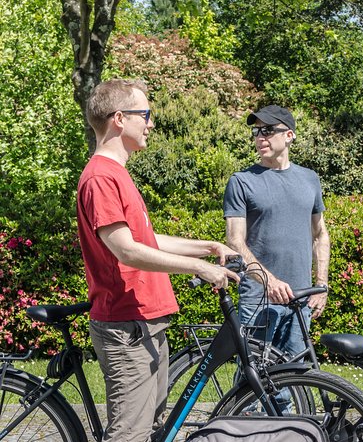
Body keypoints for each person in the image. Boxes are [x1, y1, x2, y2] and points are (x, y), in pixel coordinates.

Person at [77, 79, 239, 441]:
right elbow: (125, 249)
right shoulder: (101, 177)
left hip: (145, 322)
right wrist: (199, 268)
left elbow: (145, 240)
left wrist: (207, 247)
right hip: (127, 326)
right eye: (145, 115)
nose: (150, 124)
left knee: (150, 430)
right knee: (129, 435)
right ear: (120, 119)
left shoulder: (117, 173)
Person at [223, 105, 330, 362]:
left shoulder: (309, 179)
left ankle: (290, 406)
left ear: (289, 135)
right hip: (258, 298)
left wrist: (321, 286)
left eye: (269, 130)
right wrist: (268, 281)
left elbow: (320, 235)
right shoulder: (242, 180)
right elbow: (234, 241)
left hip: (300, 299)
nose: (261, 137)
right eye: (257, 131)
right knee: (251, 382)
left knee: (295, 380)